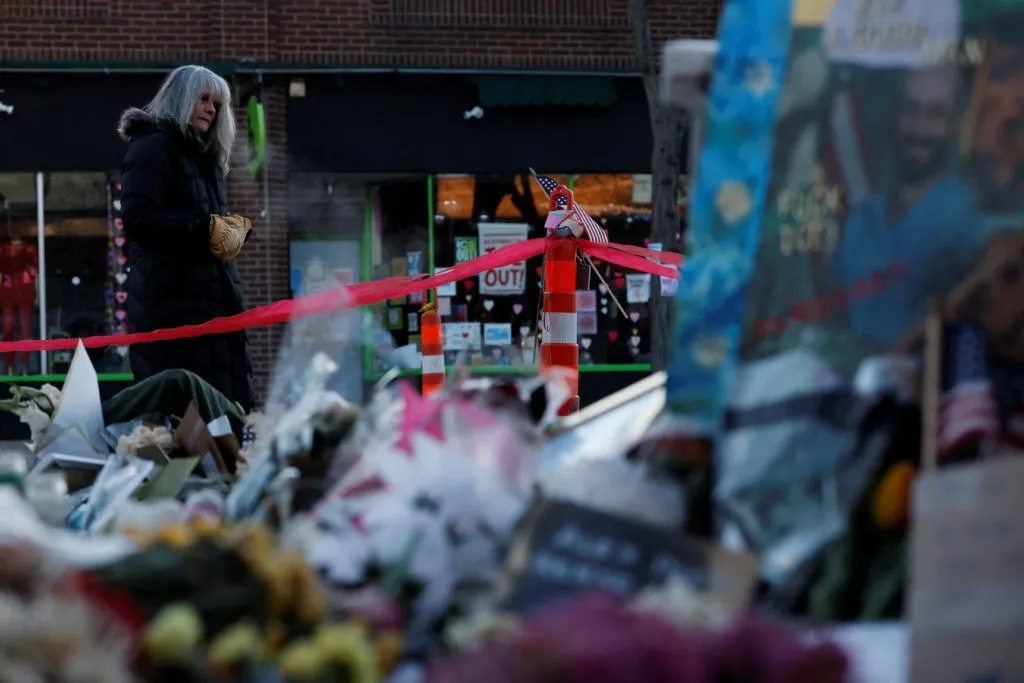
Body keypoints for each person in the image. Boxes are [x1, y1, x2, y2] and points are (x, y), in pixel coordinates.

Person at [118, 65, 255, 411]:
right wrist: (205, 226)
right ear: (180, 99)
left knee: (225, 422)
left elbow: (202, 225)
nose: (211, 108)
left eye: (217, 103)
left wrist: (233, 233)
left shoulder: (206, 159)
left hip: (214, 313)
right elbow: (137, 219)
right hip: (172, 313)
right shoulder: (152, 147)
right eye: (203, 99)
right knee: (184, 423)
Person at [832, 65, 984, 347]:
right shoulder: (861, 219)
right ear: (895, 115)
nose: (918, 128)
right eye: (910, 109)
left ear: (955, 126)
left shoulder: (967, 224)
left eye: (935, 114)